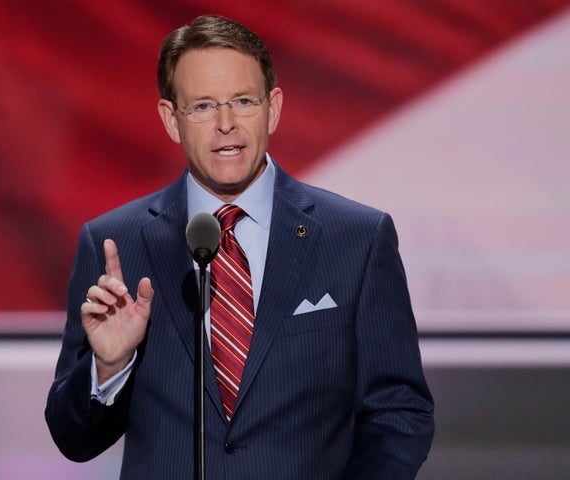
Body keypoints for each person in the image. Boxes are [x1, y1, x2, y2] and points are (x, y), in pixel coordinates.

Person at [45, 14, 434, 479]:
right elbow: (74, 440)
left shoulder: (357, 238)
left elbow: (399, 411)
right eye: (203, 106)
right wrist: (110, 366)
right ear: (172, 120)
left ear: (273, 108)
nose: (226, 124)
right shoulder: (115, 244)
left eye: (243, 101)